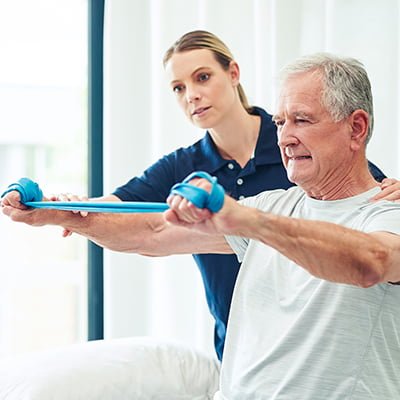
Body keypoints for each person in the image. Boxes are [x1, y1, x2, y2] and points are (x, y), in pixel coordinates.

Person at [3, 52, 400, 398]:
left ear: (357, 128)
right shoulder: (271, 204)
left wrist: (251, 221)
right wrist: (53, 214)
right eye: (281, 122)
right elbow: (152, 232)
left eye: (301, 120)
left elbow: (370, 260)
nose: (286, 137)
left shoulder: (387, 209)